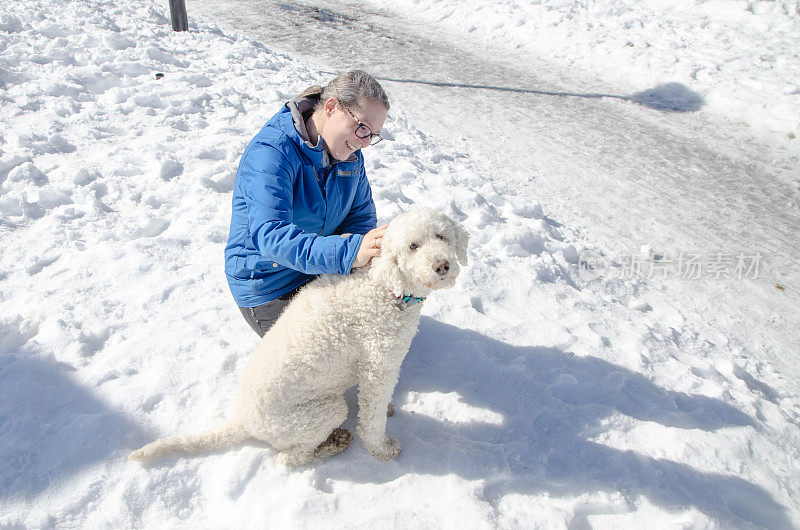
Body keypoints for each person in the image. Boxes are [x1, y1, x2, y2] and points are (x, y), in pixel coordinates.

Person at [224, 70, 390, 337]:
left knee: (378, 328)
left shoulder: (348, 153)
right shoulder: (272, 153)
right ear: (331, 107)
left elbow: (359, 216)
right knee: (331, 360)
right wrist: (348, 253)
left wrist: (361, 257)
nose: (364, 143)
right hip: (271, 283)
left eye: (372, 135)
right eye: (362, 128)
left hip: (321, 268)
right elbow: (271, 235)